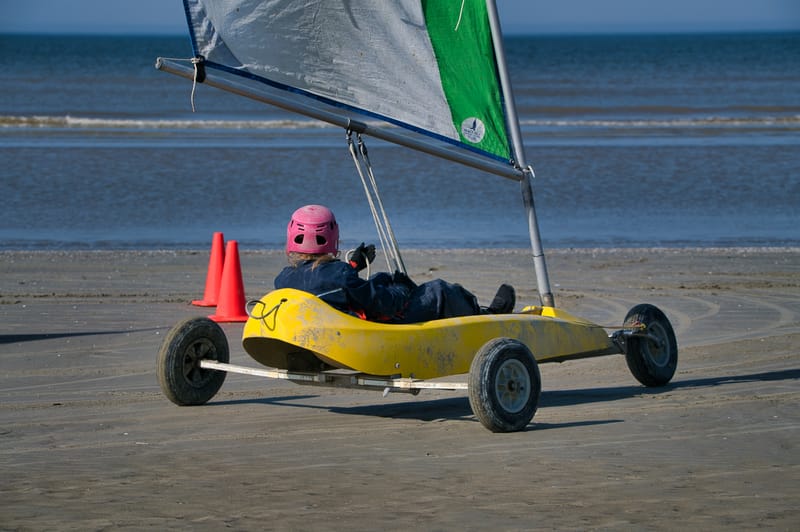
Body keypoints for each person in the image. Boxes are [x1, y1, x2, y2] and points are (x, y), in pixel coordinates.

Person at [274, 204, 515, 323]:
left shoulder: (283, 278)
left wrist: (355, 267)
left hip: (330, 321)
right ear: (333, 237)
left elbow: (328, 283)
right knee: (439, 290)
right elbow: (386, 305)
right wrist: (402, 288)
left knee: (381, 278)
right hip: (371, 330)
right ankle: (487, 316)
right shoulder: (340, 275)